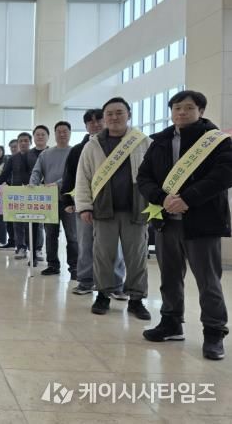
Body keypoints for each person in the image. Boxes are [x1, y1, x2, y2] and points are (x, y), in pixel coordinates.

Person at [137, 90, 232, 360]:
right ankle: (171, 323)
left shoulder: (216, 141)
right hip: (166, 221)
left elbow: (225, 174)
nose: (182, 112)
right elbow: (143, 177)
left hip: (203, 222)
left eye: (189, 108)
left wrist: (187, 198)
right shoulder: (160, 141)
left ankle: (214, 332)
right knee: (169, 277)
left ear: (200, 111)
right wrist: (162, 198)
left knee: (208, 281)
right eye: (177, 108)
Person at [75, 97, 152, 320]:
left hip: (136, 209)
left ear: (129, 115)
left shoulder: (143, 142)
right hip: (103, 210)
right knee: (103, 255)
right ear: (104, 118)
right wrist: (84, 206)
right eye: (109, 114)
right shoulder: (93, 145)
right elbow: (83, 178)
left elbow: (155, 174)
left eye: (119, 112)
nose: (114, 117)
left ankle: (136, 299)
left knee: (136, 256)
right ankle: (103, 295)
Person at [61, 109, 127, 297]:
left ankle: (116, 284)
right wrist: (67, 200)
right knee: (85, 243)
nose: (96, 124)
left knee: (115, 246)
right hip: (85, 203)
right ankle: (85, 281)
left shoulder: (121, 146)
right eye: (90, 122)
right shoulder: (78, 149)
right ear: (86, 126)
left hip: (114, 204)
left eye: (99, 120)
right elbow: (69, 176)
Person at [30, 121, 78, 277]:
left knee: (72, 236)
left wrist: (57, 184)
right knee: (51, 234)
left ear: (70, 133)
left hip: (69, 200)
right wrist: (32, 185)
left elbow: (75, 175)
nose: (62, 134)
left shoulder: (76, 152)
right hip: (49, 201)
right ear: (54, 134)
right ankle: (52, 265)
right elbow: (37, 172)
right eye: (59, 131)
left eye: (65, 131)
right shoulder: (46, 154)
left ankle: (75, 267)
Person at [0, 133, 33, 259]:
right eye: (21, 141)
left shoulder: (35, 155)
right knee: (18, 222)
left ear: (30, 142)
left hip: (33, 194)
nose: (23, 143)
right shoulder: (12, 159)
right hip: (17, 194)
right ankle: (20, 247)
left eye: (26, 141)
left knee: (34, 223)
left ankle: (35, 248)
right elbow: (4, 174)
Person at [29, 125, 49, 263]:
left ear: (48, 137)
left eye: (43, 134)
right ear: (34, 137)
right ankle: (33, 252)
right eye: (37, 134)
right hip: (30, 193)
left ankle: (40, 249)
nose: (40, 137)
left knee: (48, 226)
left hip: (49, 194)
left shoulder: (51, 152)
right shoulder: (27, 154)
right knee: (33, 224)